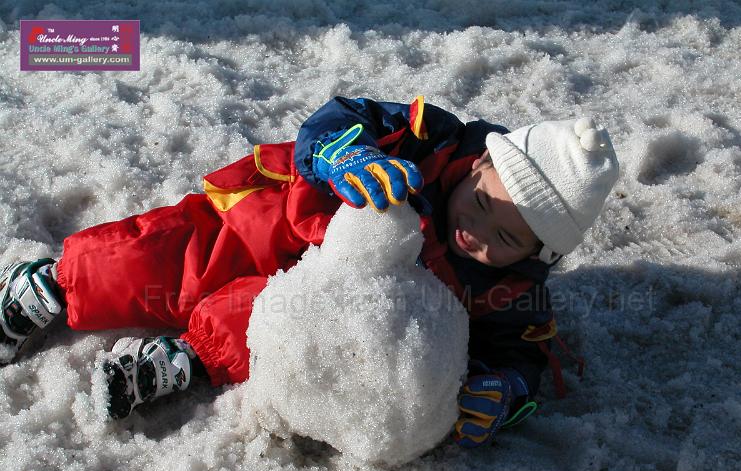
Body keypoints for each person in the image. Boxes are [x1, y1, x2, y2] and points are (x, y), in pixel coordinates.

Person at [0, 96, 618, 448]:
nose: (475, 232)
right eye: (480, 204)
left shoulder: (512, 291)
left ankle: (181, 361)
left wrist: (502, 393)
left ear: (539, 255)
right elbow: (337, 116)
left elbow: (523, 360)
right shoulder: (427, 139)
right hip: (279, 223)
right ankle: (52, 284)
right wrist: (345, 154)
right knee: (170, 260)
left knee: (273, 327)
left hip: (326, 292)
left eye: (505, 239)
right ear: (481, 163)